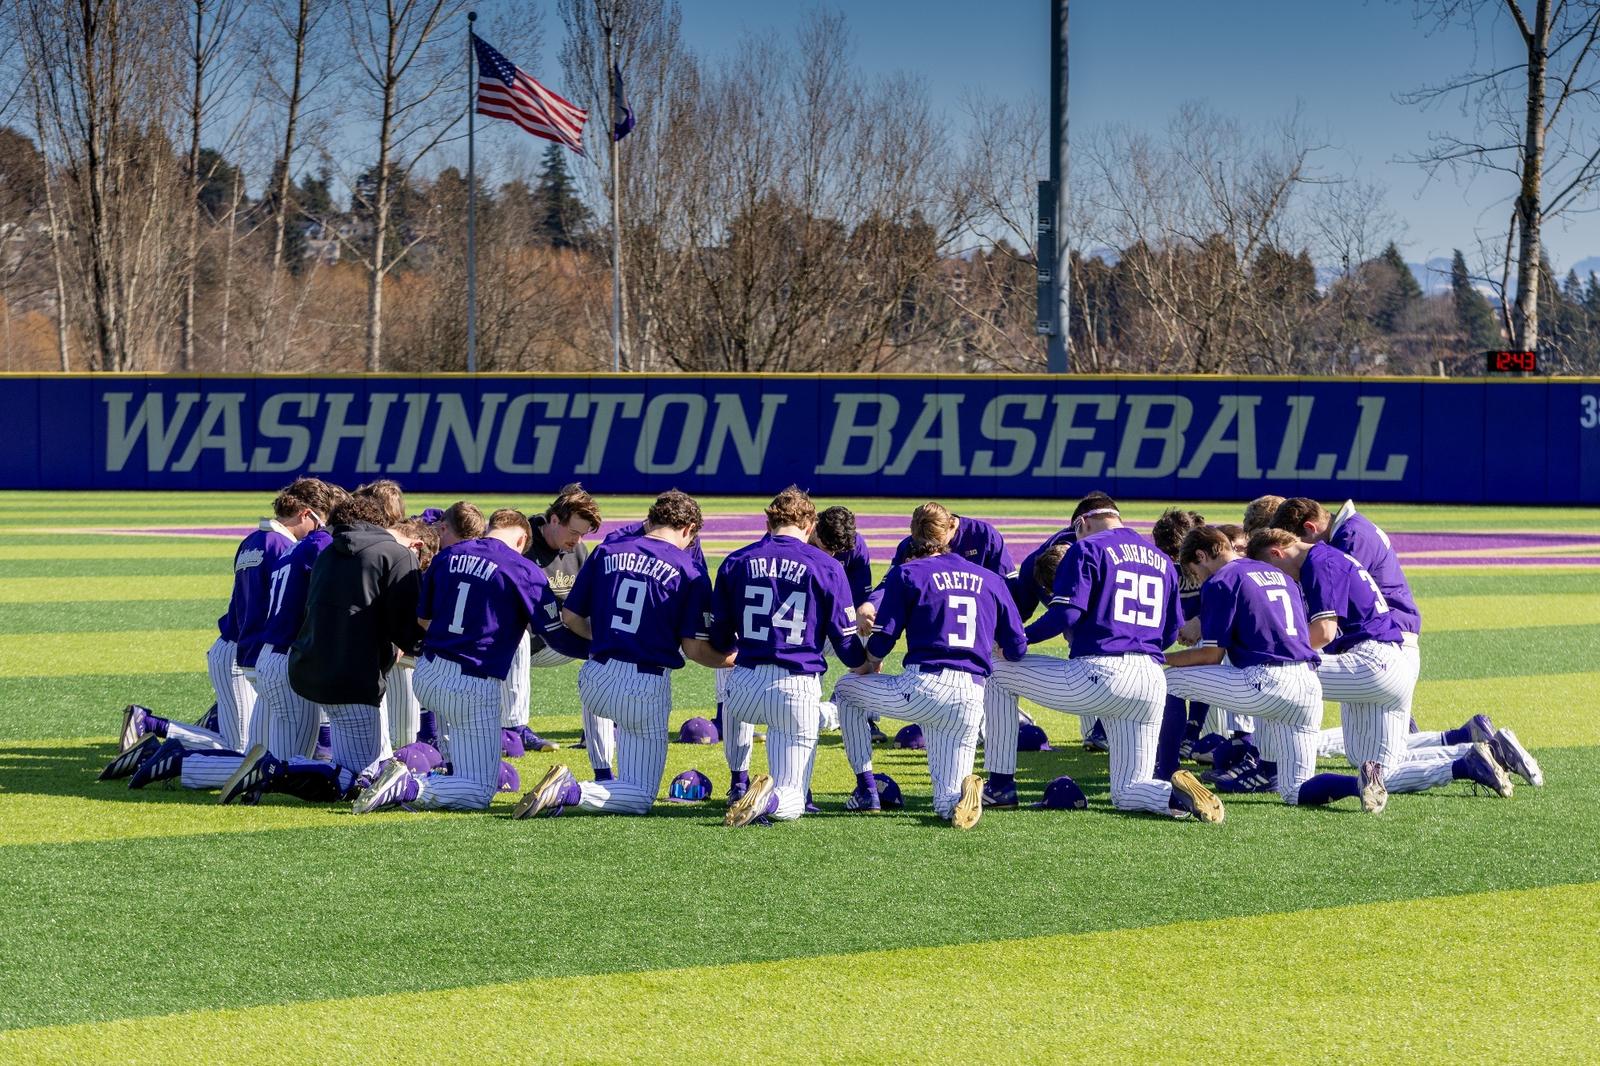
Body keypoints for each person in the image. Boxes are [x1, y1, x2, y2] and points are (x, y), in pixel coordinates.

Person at [1270, 497, 1542, 787]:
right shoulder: (1354, 529)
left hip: (1383, 644)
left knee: (1372, 759)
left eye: (1300, 544)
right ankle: (1479, 747)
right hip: (1391, 642)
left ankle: (1472, 750)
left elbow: (1336, 608)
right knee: (1381, 757)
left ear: (1310, 527)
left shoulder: (1346, 539)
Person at [988, 493, 1224, 822]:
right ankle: (1173, 794)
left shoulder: (1085, 547)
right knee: (1128, 791)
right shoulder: (1160, 559)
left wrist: (1020, 639)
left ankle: (999, 786)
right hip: (1151, 680)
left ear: (1080, 523)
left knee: (995, 671)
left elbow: (1065, 616)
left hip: (1100, 672)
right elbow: (1171, 633)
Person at [353, 509, 589, 813]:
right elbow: (555, 636)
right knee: (479, 791)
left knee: (461, 766)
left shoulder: (447, 555)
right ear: (521, 540)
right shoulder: (522, 568)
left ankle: (432, 782)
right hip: (472, 682)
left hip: (428, 672)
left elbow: (424, 620)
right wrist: (598, 650)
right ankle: (410, 786)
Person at [104, 479, 335, 787]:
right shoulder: (285, 546)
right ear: (306, 513)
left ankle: (161, 744)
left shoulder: (253, 539)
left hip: (233, 645)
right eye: (321, 522)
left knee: (250, 745)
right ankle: (166, 747)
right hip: (246, 650)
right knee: (241, 749)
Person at [514, 490, 732, 818]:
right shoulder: (689, 569)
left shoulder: (607, 550)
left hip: (595, 679)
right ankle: (570, 790)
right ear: (688, 529)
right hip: (643, 685)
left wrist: (606, 636)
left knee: (627, 781)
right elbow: (694, 648)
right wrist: (732, 658)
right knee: (640, 796)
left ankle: (598, 777)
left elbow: (571, 618)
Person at [832, 502, 1028, 829]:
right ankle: (961, 794)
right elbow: (1018, 647)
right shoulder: (989, 580)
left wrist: (867, 663)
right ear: (949, 531)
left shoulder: (907, 573)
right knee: (945, 804)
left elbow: (883, 642)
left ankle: (866, 790)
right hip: (971, 696)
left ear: (913, 535)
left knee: (846, 691)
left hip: (924, 688)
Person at [1165, 526, 1376, 809]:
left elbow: (1211, 655)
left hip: (1266, 681)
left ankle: (1165, 776)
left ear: (1201, 555)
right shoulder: (1279, 574)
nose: (1198, 577)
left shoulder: (1221, 580)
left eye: (1195, 570)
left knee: (1169, 680)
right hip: (1308, 683)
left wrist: (1162, 658)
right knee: (1294, 790)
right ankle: (1359, 782)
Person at [708, 488, 864, 826]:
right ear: (810, 525)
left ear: (768, 521)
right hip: (795, 687)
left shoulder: (736, 561)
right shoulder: (827, 566)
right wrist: (866, 663)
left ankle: (738, 783)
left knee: (731, 684)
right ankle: (769, 798)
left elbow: (720, 638)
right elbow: (846, 645)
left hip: (745, 687)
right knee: (793, 797)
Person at [502, 484, 603, 755]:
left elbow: (589, 605)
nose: (578, 540)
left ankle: (599, 729)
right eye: (574, 532)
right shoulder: (523, 545)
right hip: (509, 644)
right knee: (518, 636)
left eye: (583, 534)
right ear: (554, 520)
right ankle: (514, 729)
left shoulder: (578, 552)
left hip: (556, 640)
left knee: (608, 641)